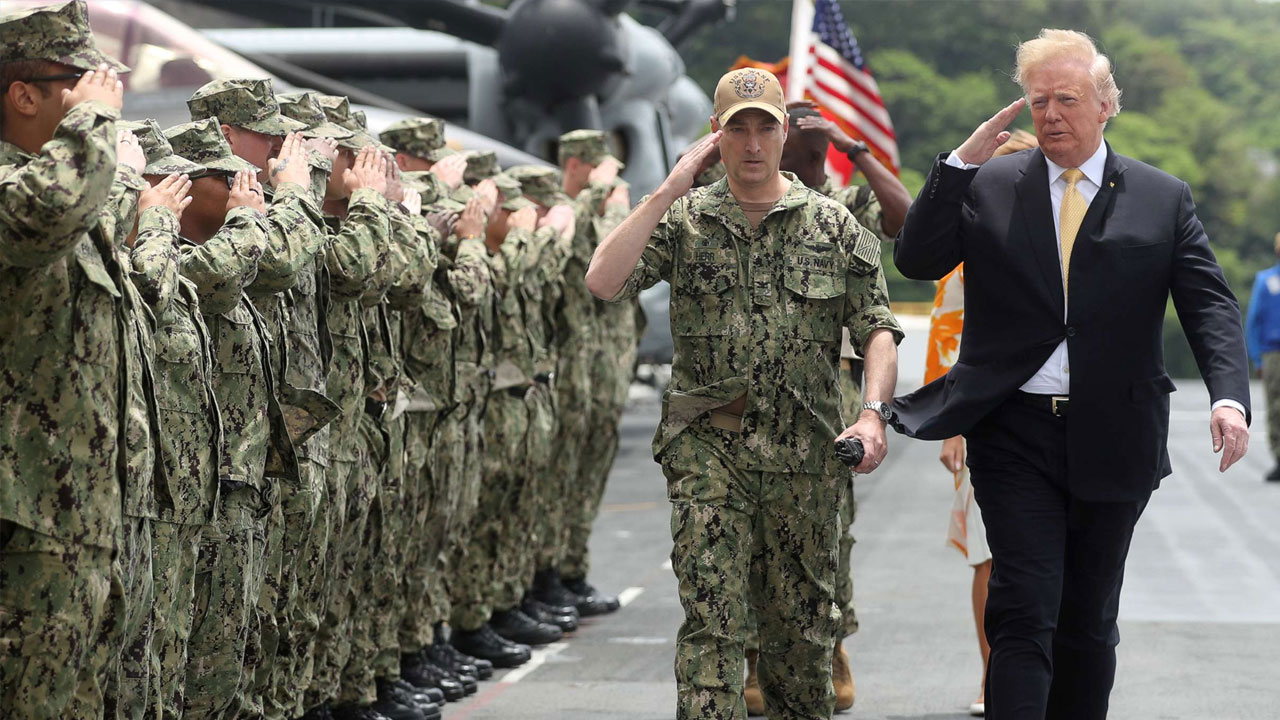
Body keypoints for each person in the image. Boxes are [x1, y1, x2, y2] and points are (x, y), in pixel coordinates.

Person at [891, 29, 1251, 720]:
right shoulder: (991, 184)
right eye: (1039, 101)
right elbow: (916, 259)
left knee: (1087, 622)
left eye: (1067, 99)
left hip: (1115, 432)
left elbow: (1209, 304)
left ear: (1106, 104)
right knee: (1023, 609)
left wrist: (1229, 398)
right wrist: (959, 165)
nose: (1051, 114)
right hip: (1013, 431)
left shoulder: (1161, 197)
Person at [586, 67, 902, 720]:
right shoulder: (686, 219)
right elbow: (603, 281)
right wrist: (669, 188)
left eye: (764, 128)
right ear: (715, 135)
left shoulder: (833, 224)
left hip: (806, 457)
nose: (752, 144)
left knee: (801, 642)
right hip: (709, 451)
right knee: (714, 625)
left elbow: (876, 328)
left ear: (784, 132)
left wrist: (872, 415)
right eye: (738, 130)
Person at [0, 3, 142, 717]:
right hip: (25, 518)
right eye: (80, 84)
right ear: (24, 96)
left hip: (79, 513)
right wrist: (93, 125)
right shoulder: (24, 189)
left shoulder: (66, 185)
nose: (102, 96)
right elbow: (42, 214)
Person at [925, 129, 1038, 718]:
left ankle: (1042, 674)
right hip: (985, 422)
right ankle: (995, 674)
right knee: (989, 557)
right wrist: (953, 426)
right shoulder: (970, 247)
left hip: (1058, 418)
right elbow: (948, 338)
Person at [1244, 231, 1280, 483]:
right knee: (1276, 406)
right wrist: (1257, 357)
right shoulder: (1266, 280)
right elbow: (1253, 321)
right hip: (1274, 353)